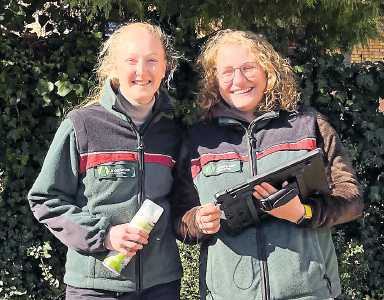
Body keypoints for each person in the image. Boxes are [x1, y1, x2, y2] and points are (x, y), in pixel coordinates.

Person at [173, 29, 363, 300]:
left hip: (309, 294)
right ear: (214, 80)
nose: (238, 80)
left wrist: (303, 213)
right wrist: (198, 222)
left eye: (248, 68)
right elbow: (180, 216)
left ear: (268, 71)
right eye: (227, 72)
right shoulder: (199, 140)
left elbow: (352, 199)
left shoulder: (308, 125)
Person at [28, 22, 183, 300]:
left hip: (161, 286)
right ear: (114, 67)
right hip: (94, 287)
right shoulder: (82, 125)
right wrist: (104, 236)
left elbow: (183, 201)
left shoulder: (173, 132)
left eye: (152, 61)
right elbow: (44, 200)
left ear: (165, 68)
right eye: (131, 60)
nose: (141, 71)